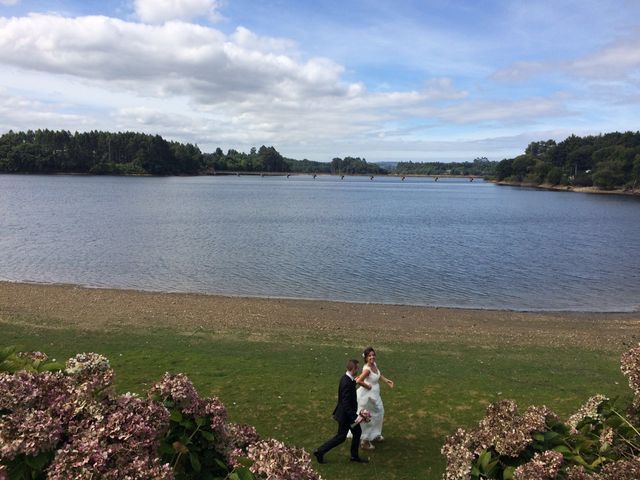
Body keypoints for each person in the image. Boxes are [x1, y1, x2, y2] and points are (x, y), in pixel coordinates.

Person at [314, 359, 369, 464]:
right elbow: (346, 404)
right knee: (341, 437)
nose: (358, 369)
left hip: (348, 415)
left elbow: (351, 387)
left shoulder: (347, 379)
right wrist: (356, 417)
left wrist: (355, 382)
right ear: (353, 369)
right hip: (346, 416)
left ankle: (354, 456)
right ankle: (320, 451)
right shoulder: (346, 383)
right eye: (357, 368)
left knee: (357, 432)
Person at [353, 346, 394, 450]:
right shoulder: (367, 369)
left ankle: (375, 435)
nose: (372, 357)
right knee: (369, 417)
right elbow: (359, 381)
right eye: (369, 356)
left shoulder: (374, 365)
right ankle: (365, 441)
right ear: (366, 358)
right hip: (368, 397)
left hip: (375, 395)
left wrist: (387, 381)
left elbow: (378, 375)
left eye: (373, 355)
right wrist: (368, 386)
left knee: (379, 413)